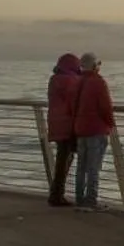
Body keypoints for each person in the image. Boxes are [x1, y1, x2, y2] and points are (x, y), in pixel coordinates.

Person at [71, 52, 115, 210]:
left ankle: (79, 199)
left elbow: (73, 107)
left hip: (80, 129)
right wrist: (111, 125)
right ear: (95, 66)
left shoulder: (77, 82)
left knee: (81, 167)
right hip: (96, 129)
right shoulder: (98, 82)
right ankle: (91, 201)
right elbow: (105, 107)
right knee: (94, 168)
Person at [45, 52, 82, 207]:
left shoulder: (54, 80)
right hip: (68, 125)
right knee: (65, 160)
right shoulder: (71, 81)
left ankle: (56, 193)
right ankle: (57, 195)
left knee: (62, 159)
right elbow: (75, 102)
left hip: (55, 123)